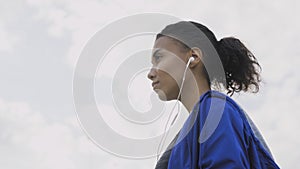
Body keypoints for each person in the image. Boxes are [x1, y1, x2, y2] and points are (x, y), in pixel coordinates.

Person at [147, 21, 280, 169]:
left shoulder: (215, 109)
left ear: (194, 57)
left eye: (158, 58)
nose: (150, 74)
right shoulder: (188, 134)